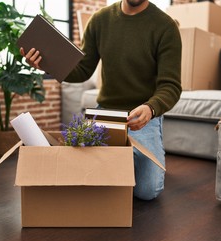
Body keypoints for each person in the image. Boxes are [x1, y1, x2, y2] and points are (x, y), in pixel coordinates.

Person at [20, 0, 182, 200]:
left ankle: (130, 157)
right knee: (87, 177)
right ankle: (123, 158)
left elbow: (171, 86)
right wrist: (47, 63)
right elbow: (82, 71)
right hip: (106, 112)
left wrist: (151, 108)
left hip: (143, 115)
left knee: (147, 191)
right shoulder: (100, 20)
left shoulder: (165, 27)